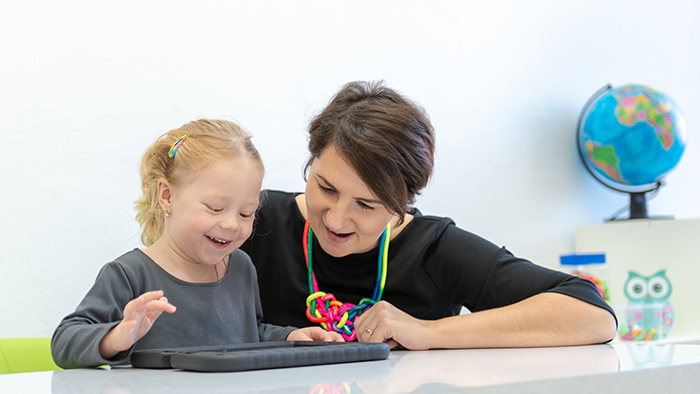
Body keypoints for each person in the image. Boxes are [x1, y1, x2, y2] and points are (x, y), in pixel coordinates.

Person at [241, 81, 617, 350]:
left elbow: (591, 313)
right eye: (326, 189)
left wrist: (428, 332)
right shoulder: (254, 221)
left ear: (402, 201)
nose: (337, 220)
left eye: (366, 205)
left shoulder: (432, 248)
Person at [51, 119, 341, 369]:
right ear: (167, 196)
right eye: (215, 208)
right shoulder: (130, 274)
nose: (231, 224)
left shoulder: (241, 267)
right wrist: (117, 336)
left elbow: (249, 335)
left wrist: (289, 337)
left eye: (245, 213)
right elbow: (64, 341)